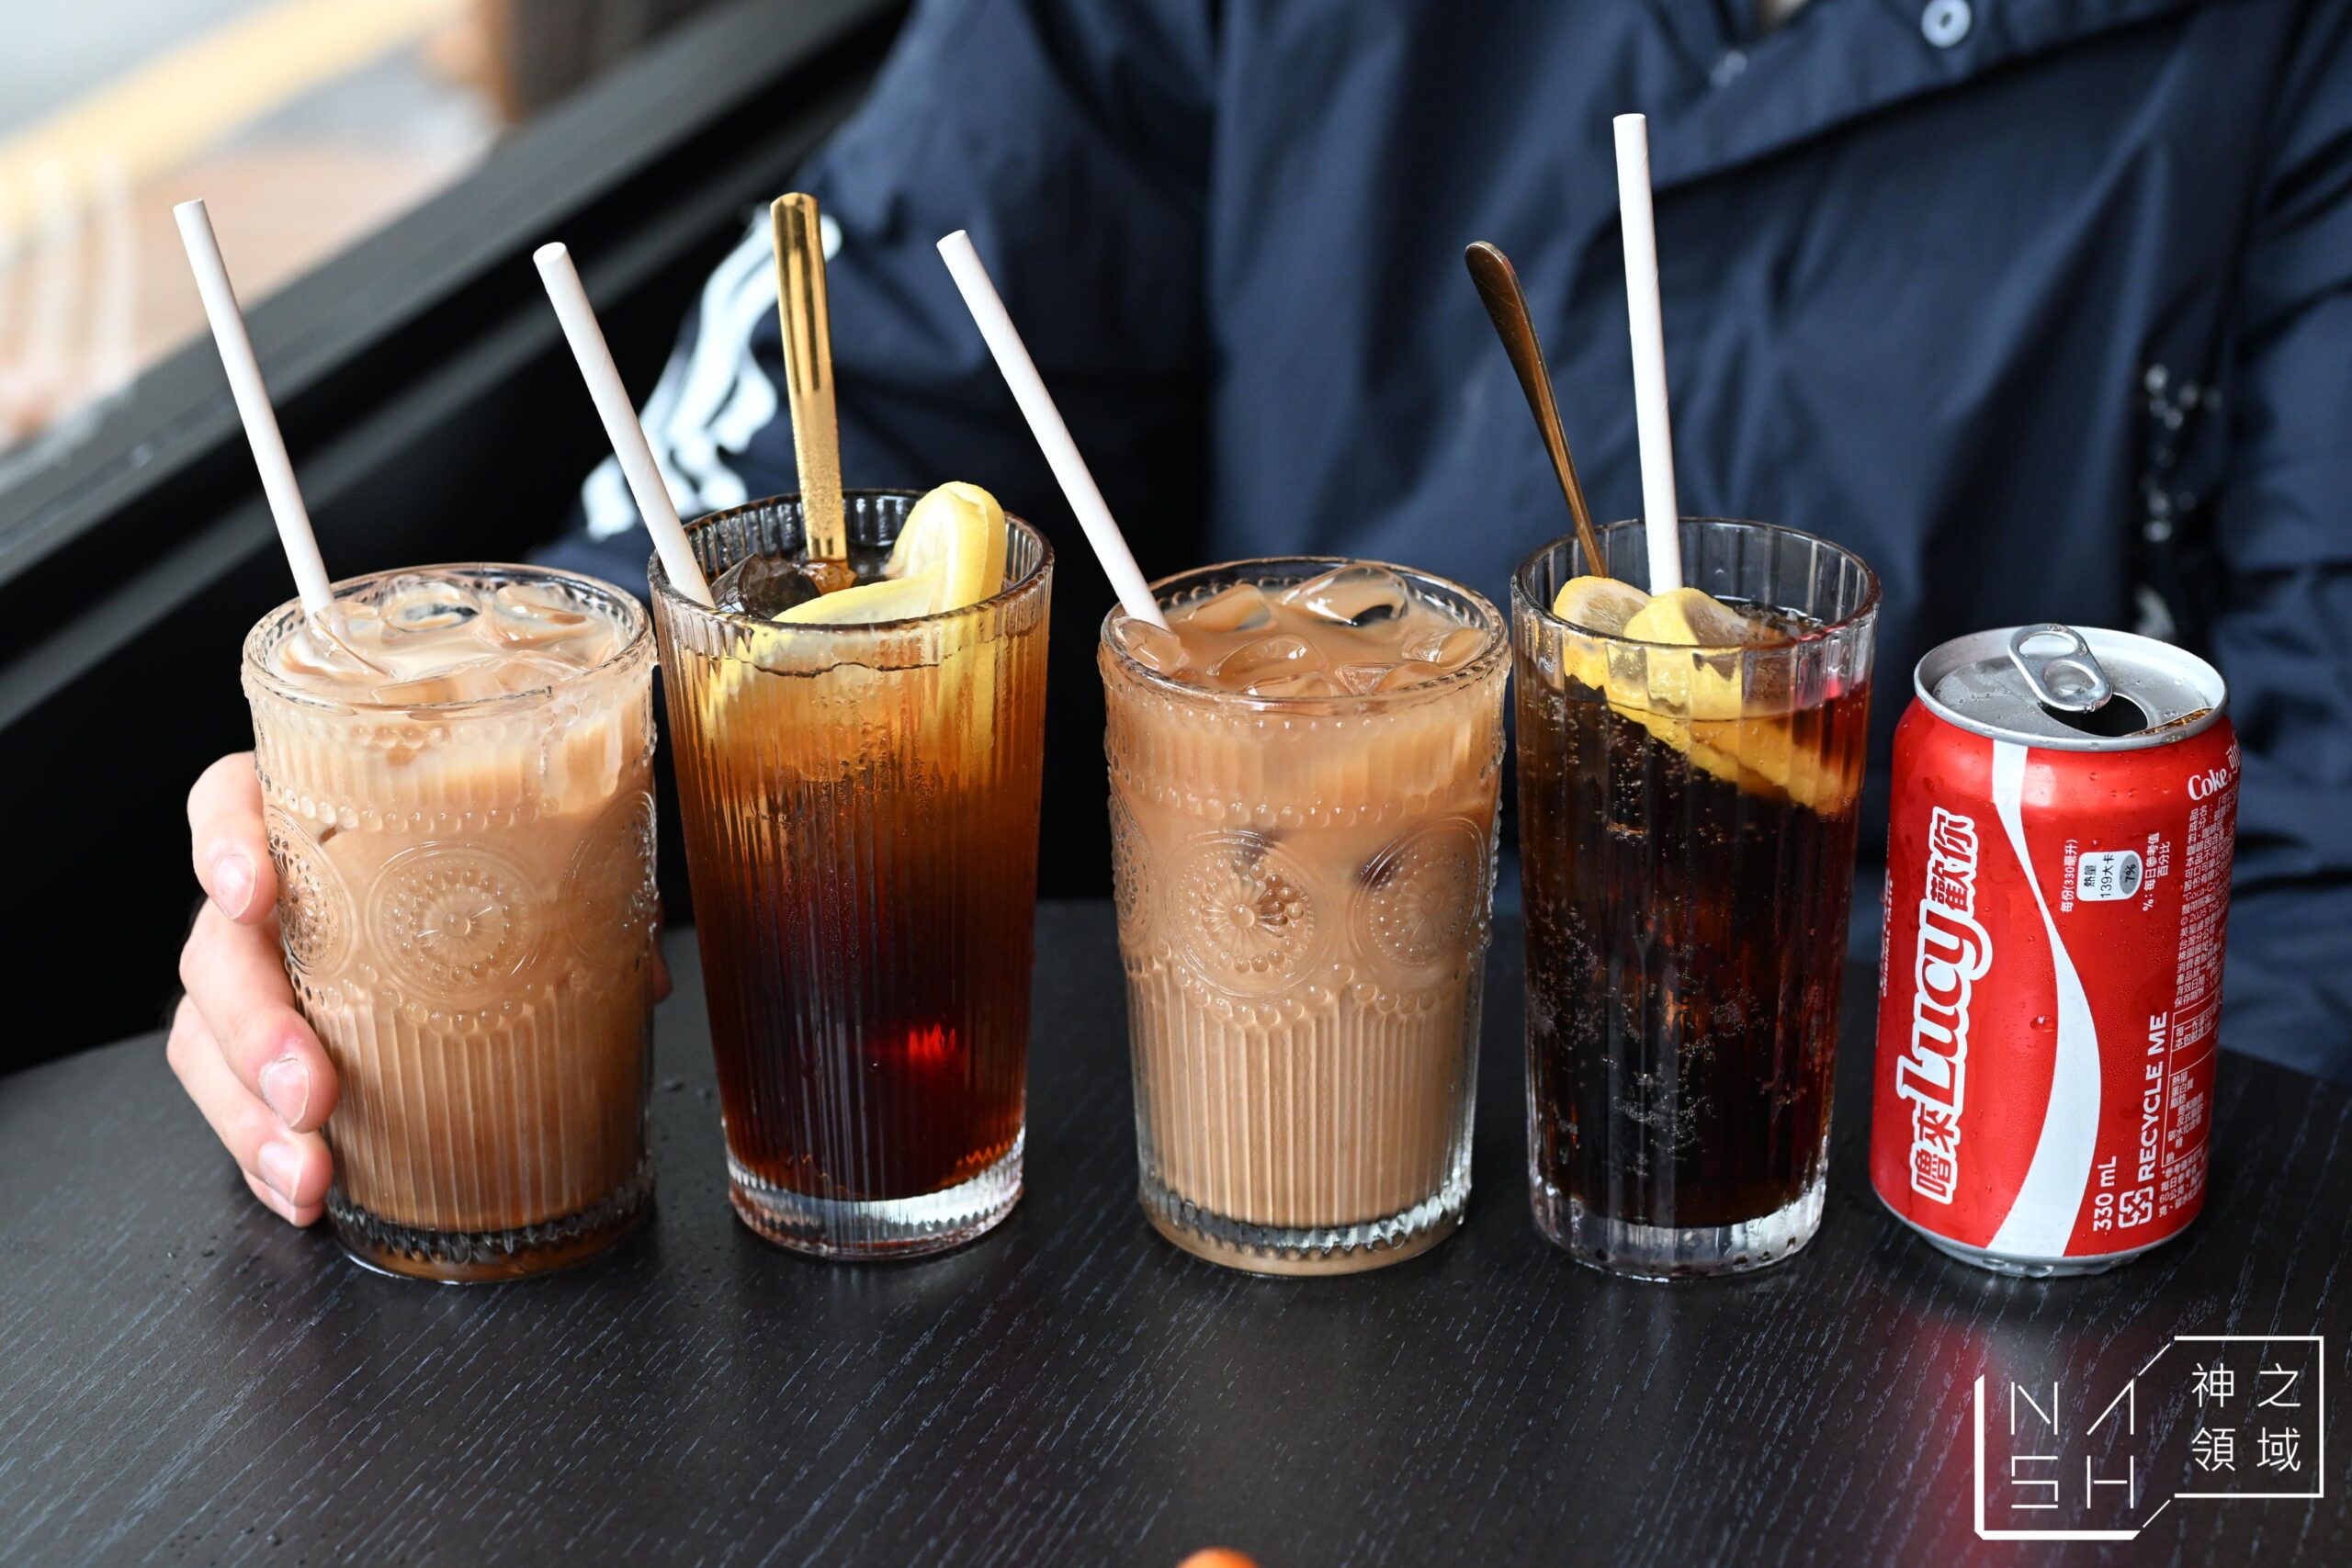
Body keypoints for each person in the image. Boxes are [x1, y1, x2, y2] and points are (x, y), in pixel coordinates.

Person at [175, 0, 2352, 1223]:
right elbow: (807, 429)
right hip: (1256, 1183)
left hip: (1853, 1203)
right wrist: (467, 777)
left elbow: (2314, 904)